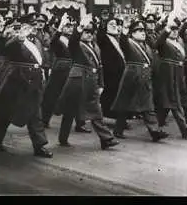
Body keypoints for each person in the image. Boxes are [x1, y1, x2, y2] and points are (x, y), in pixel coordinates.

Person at [0, 14, 53, 158]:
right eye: (30, 25)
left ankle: (39, 145)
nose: (34, 27)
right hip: (18, 80)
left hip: (33, 79)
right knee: (6, 113)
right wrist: (18, 37)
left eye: (34, 24)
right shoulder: (17, 39)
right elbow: (5, 49)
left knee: (35, 113)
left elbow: (42, 58)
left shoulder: (36, 40)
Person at [55, 15, 119, 150]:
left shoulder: (95, 46)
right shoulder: (76, 45)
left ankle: (105, 138)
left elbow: (100, 66)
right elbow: (72, 41)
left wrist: (101, 84)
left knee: (94, 110)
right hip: (77, 80)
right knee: (70, 110)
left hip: (90, 81)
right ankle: (64, 137)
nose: (89, 34)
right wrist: (79, 29)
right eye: (86, 32)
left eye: (91, 32)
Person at [111, 19, 169, 142]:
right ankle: (118, 129)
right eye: (139, 31)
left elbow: (156, 46)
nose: (143, 33)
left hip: (144, 77)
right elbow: (123, 41)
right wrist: (125, 31)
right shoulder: (129, 43)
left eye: (143, 30)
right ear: (132, 33)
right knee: (124, 104)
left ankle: (154, 131)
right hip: (132, 76)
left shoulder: (146, 45)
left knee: (148, 105)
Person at [153, 13, 187, 139]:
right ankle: (184, 129)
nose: (175, 32)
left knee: (164, 106)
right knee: (174, 103)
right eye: (173, 29)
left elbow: (186, 61)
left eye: (177, 29)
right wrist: (167, 28)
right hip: (166, 76)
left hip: (178, 76)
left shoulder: (181, 42)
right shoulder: (163, 41)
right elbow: (156, 44)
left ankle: (155, 129)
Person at [42, 14, 75, 128]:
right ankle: (45, 119)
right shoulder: (58, 39)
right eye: (67, 26)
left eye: (71, 26)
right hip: (59, 69)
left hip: (71, 68)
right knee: (52, 94)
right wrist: (59, 30)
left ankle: (79, 123)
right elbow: (52, 43)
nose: (70, 28)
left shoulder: (73, 39)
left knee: (73, 96)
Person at [97, 15, 127, 125]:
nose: (114, 26)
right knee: (109, 94)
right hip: (109, 72)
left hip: (119, 72)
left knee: (116, 94)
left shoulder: (116, 38)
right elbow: (99, 36)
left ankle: (116, 117)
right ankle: (107, 117)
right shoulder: (104, 37)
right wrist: (102, 22)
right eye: (111, 24)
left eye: (115, 24)